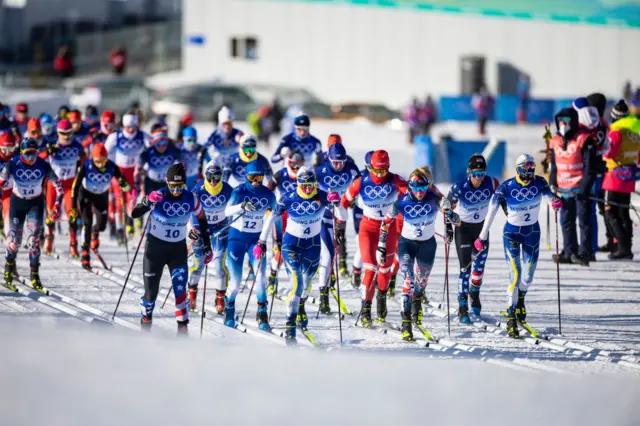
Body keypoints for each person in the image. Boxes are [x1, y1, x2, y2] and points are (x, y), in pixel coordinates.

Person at [474, 154, 562, 338]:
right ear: (518, 169)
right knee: (515, 276)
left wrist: (554, 201)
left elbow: (548, 196)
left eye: (531, 168)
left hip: (532, 234)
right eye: (525, 169)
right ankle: (511, 316)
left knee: (528, 277)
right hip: (512, 234)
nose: (529, 172)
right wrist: (482, 236)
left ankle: (520, 301)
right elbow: (491, 211)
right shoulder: (506, 187)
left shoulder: (539, 182)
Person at [254, 167, 339, 343]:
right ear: (298, 184)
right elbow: (271, 219)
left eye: (311, 185)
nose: (308, 189)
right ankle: (290, 324)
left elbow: (342, 215)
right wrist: (261, 242)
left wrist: (337, 204)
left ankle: (300, 308)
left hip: (312, 245)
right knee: (297, 285)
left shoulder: (322, 195)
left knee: (306, 285)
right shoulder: (289, 198)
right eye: (304, 185)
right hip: (291, 245)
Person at [131, 163, 212, 334]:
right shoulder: (159, 195)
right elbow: (134, 213)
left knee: (180, 292)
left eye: (180, 186)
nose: (176, 190)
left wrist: (207, 246)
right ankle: (146, 319)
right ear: (167, 183)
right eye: (173, 186)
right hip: (155, 250)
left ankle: (183, 330)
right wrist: (146, 201)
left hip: (177, 251)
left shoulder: (191, 198)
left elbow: (203, 221)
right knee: (151, 294)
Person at [378, 166, 458, 340]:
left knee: (421, 283)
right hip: (406, 244)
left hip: (428, 245)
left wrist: (449, 212)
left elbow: (453, 218)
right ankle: (406, 323)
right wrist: (381, 245)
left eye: (423, 188)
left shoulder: (433, 198)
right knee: (408, 280)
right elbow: (386, 222)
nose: (420, 193)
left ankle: (417, 307)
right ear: (410, 188)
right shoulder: (402, 202)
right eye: (416, 189)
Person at [335, 150, 407, 327]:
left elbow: (413, 195)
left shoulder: (395, 180)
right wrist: (339, 226)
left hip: (388, 229)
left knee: (385, 270)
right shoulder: (361, 182)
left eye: (384, 171)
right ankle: (365, 309)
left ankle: (381, 302)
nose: (380, 175)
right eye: (376, 170)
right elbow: (344, 202)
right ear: (371, 167)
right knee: (370, 269)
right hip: (368, 228)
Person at [0, 138, 63, 292]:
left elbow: (59, 186)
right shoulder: (13, 164)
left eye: (34, 153)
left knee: (34, 242)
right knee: (14, 240)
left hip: (36, 204)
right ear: (21, 153)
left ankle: (35, 275)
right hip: (17, 203)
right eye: (28, 154)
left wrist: (56, 205)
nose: (31, 157)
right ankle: (8, 271)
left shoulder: (43, 165)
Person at [222, 161, 276, 329]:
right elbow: (226, 211)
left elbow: (275, 216)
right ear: (246, 176)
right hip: (236, 240)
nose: (255, 181)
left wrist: (276, 239)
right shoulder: (239, 191)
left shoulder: (268, 194)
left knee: (260, 277)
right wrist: (240, 206)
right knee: (236, 281)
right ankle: (229, 307)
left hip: (256, 241)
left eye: (259, 177)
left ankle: (262, 313)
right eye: (252, 177)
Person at [446, 154, 499, 323]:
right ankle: (462, 307)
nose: (479, 178)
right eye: (475, 174)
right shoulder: (459, 187)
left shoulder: (491, 183)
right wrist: (449, 228)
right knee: (465, 269)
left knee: (479, 269)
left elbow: (504, 199)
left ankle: (474, 295)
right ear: (469, 173)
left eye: (482, 173)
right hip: (463, 229)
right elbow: (447, 207)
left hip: (482, 231)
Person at [314, 142, 360, 313]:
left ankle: (332, 273)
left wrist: (353, 197)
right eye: (335, 163)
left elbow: (362, 184)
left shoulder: (352, 168)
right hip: (322, 218)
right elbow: (306, 191)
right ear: (329, 160)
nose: (339, 165)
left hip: (341, 215)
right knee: (328, 254)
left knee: (335, 249)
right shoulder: (319, 172)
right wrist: (323, 197)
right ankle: (323, 298)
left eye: (341, 162)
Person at [549, 103, 596, 266]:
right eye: (560, 120)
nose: (563, 123)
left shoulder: (584, 139)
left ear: (574, 121)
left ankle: (585, 253)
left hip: (580, 188)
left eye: (567, 120)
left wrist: (585, 188)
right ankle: (569, 252)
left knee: (584, 221)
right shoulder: (555, 141)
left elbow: (590, 167)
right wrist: (552, 183)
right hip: (563, 189)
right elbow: (553, 165)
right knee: (566, 221)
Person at [70, 143, 130, 269]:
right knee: (87, 222)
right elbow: (75, 187)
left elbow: (121, 178)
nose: (101, 164)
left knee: (102, 224)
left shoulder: (112, 166)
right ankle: (85, 253)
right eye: (98, 161)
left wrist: (124, 183)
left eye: (103, 161)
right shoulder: (86, 166)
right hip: (85, 193)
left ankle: (95, 233)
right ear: (93, 159)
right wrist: (73, 207)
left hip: (101, 194)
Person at [187, 161, 233, 315]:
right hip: (201, 228)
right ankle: (191, 294)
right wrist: (190, 229)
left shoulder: (227, 189)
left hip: (221, 228)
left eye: (217, 176)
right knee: (199, 264)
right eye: (210, 176)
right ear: (205, 175)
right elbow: (187, 211)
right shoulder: (198, 190)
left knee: (219, 265)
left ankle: (220, 297)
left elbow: (235, 206)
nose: (213, 180)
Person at [41, 119, 86, 257]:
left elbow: (85, 159)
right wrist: (47, 152)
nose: (66, 137)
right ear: (58, 133)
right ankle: (49, 239)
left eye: (69, 133)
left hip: (69, 185)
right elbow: (38, 159)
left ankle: (73, 245)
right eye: (62, 133)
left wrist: (82, 169)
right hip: (54, 185)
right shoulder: (53, 146)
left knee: (72, 214)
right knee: (51, 215)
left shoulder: (77, 146)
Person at [602, 100, 640, 259]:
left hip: (614, 176)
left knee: (610, 211)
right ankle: (627, 247)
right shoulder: (634, 133)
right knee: (623, 211)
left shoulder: (616, 133)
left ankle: (623, 247)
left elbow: (609, 153)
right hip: (630, 175)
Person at [105, 113, 150, 242]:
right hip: (120, 171)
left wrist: (145, 164)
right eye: (128, 127)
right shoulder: (116, 136)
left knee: (133, 201)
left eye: (133, 126)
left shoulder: (142, 135)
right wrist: (109, 167)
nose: (131, 130)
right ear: (124, 126)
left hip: (134, 171)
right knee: (120, 202)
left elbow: (153, 147)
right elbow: (104, 152)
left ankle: (131, 222)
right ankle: (120, 230)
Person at [265, 149, 304, 296]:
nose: (296, 169)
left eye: (299, 165)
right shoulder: (281, 174)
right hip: (282, 215)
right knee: (281, 249)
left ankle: (296, 282)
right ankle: (272, 277)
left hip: (299, 215)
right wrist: (269, 206)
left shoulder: (305, 175)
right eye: (293, 165)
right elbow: (269, 189)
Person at [585, 93, 611, 258]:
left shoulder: (593, 125)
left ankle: (590, 247)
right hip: (603, 170)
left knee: (590, 209)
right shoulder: (604, 124)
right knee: (601, 208)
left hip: (593, 171)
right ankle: (611, 240)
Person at [350, 151, 373, 288]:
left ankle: (374, 274)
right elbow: (350, 192)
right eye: (371, 168)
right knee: (362, 245)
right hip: (360, 212)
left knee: (378, 246)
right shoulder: (360, 177)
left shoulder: (383, 177)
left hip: (376, 214)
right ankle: (357, 270)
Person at [135, 128, 181, 196]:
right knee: (151, 203)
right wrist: (139, 173)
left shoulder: (172, 150)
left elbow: (182, 160)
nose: (162, 146)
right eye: (158, 143)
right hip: (151, 182)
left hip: (166, 182)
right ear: (154, 143)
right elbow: (139, 164)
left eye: (164, 143)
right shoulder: (149, 152)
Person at [0, 132, 18, 236]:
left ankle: (9, 238)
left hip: (9, 193)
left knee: (10, 221)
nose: (7, 153)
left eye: (10, 149)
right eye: (4, 149)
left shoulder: (17, 157)